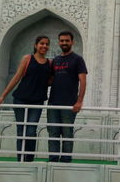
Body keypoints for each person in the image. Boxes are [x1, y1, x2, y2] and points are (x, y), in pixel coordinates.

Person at [0, 36, 51, 162]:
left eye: (46, 44)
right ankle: (21, 160)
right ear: (36, 45)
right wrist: (3, 95)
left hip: (37, 101)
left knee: (31, 131)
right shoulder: (27, 58)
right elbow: (17, 77)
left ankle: (29, 160)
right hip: (21, 99)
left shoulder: (49, 63)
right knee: (22, 130)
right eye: (41, 43)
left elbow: (51, 81)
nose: (44, 46)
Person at [48, 31, 87, 162]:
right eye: (62, 41)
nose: (64, 43)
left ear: (72, 42)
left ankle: (66, 159)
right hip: (53, 102)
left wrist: (79, 101)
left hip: (69, 103)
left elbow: (83, 81)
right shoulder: (56, 60)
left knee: (67, 132)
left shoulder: (77, 59)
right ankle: (53, 158)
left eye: (67, 40)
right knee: (53, 132)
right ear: (59, 42)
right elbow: (50, 80)